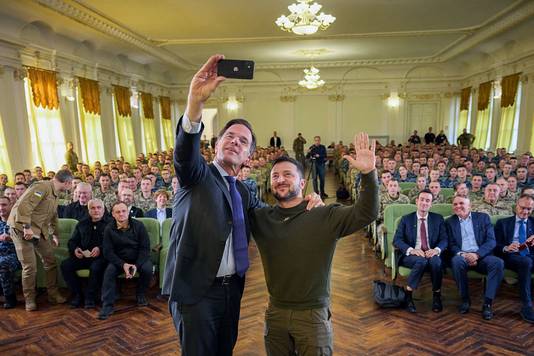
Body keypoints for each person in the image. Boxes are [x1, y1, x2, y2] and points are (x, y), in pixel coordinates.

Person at [250, 133, 378, 355]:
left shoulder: (324, 214)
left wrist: (368, 174)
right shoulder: (262, 217)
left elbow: (366, 213)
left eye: (287, 175)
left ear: (302, 182)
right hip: (275, 313)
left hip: (313, 316)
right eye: (275, 176)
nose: (280, 179)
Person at [8, 169, 73, 311]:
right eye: (71, 184)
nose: (71, 186)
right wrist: (26, 226)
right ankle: (29, 299)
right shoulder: (42, 187)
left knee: (50, 261)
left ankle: (53, 294)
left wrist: (55, 234)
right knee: (30, 267)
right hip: (21, 229)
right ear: (67, 182)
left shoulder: (55, 193)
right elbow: (25, 205)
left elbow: (53, 215)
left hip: (38, 230)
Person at [446, 196, 504, 320]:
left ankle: (488, 303)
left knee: (498, 263)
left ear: (470, 206)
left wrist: (476, 255)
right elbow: (451, 245)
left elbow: (491, 241)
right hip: (462, 256)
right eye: (455, 204)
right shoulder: (450, 222)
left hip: (482, 256)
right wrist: (464, 255)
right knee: (456, 261)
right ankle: (465, 299)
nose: (458, 206)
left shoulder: (483, 218)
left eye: (461, 203)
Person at [393, 189, 448, 313]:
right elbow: (397, 240)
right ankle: (408, 295)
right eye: (422, 199)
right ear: (416, 201)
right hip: (412, 255)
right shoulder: (406, 219)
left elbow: (444, 239)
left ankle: (436, 295)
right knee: (421, 261)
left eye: (427, 200)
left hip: (431, 252)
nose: (424, 203)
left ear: (431, 204)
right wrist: (412, 250)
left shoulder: (438, 219)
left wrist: (436, 250)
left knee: (436, 262)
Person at [98, 201, 153, 320]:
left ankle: (141, 295)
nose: (121, 214)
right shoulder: (109, 228)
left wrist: (136, 266)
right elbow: (108, 252)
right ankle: (107, 305)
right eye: (118, 212)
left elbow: (145, 249)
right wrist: (123, 264)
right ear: (113, 214)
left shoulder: (139, 226)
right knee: (109, 272)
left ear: (128, 212)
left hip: (138, 258)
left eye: (124, 211)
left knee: (148, 269)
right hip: (119, 260)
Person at [60, 198, 110, 309]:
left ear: (103, 209)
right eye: (92, 208)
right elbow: (72, 241)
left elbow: (114, 244)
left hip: (102, 257)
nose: (96, 210)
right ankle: (77, 294)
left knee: (96, 267)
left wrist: (100, 248)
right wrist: (75, 249)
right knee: (66, 265)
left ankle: (90, 297)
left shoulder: (111, 224)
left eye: (99, 208)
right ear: (88, 210)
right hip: (83, 256)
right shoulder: (82, 224)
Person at [494, 194, 534, 323]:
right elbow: (495, 244)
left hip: (530, 254)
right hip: (511, 256)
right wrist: (506, 247)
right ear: (516, 206)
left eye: (529, 209)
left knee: (528, 261)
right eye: (523, 208)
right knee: (526, 262)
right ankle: (527, 305)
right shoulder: (503, 223)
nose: (525, 212)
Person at [0, 196, 21, 308]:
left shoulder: (17, 221)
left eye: (4, 205)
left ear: (11, 206)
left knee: (3, 263)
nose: (1, 208)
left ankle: (10, 297)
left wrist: (11, 238)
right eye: (0, 205)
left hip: (14, 254)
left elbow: (27, 239)